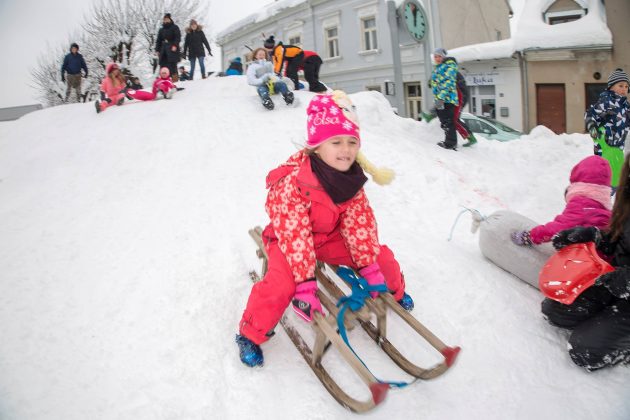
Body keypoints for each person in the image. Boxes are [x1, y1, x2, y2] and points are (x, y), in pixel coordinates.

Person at [235, 91, 413, 367]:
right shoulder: (294, 182)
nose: (346, 150)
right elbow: (295, 236)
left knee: (382, 258)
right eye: (336, 142)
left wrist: (369, 267)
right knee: (280, 285)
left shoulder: (350, 180)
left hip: (328, 238)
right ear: (317, 146)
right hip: (288, 240)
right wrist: (305, 284)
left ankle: (396, 293)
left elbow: (359, 226)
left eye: (352, 142)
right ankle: (250, 333)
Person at [542, 153, 630, 371]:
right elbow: (621, 238)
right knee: (556, 311)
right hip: (616, 281)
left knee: (585, 351)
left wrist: (626, 279)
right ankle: (606, 316)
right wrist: (593, 235)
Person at [511, 155, 612, 248]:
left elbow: (559, 228)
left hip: (581, 256)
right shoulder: (604, 208)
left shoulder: (582, 204)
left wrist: (530, 236)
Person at [585, 68, 630, 191]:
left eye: (626, 86)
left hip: (618, 149)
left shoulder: (626, 106)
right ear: (611, 87)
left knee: (618, 180)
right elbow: (590, 115)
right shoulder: (606, 102)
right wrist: (593, 129)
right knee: (607, 180)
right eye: (620, 86)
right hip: (604, 147)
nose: (624, 89)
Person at [430, 48, 459, 150]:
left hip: (447, 99)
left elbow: (448, 83)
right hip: (440, 99)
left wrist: (440, 97)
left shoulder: (450, 66)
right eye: (435, 57)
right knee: (444, 121)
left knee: (448, 121)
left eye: (439, 56)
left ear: (443, 57)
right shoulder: (438, 67)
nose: (437, 58)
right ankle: (449, 141)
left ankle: (451, 143)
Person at [155, 13, 181, 82]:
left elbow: (177, 37)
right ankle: (164, 81)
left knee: (172, 66)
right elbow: (158, 40)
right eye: (164, 19)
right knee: (163, 66)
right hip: (163, 50)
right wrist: (157, 50)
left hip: (172, 49)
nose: (166, 20)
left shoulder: (175, 27)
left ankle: (175, 81)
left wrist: (175, 45)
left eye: (167, 19)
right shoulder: (161, 29)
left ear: (170, 19)